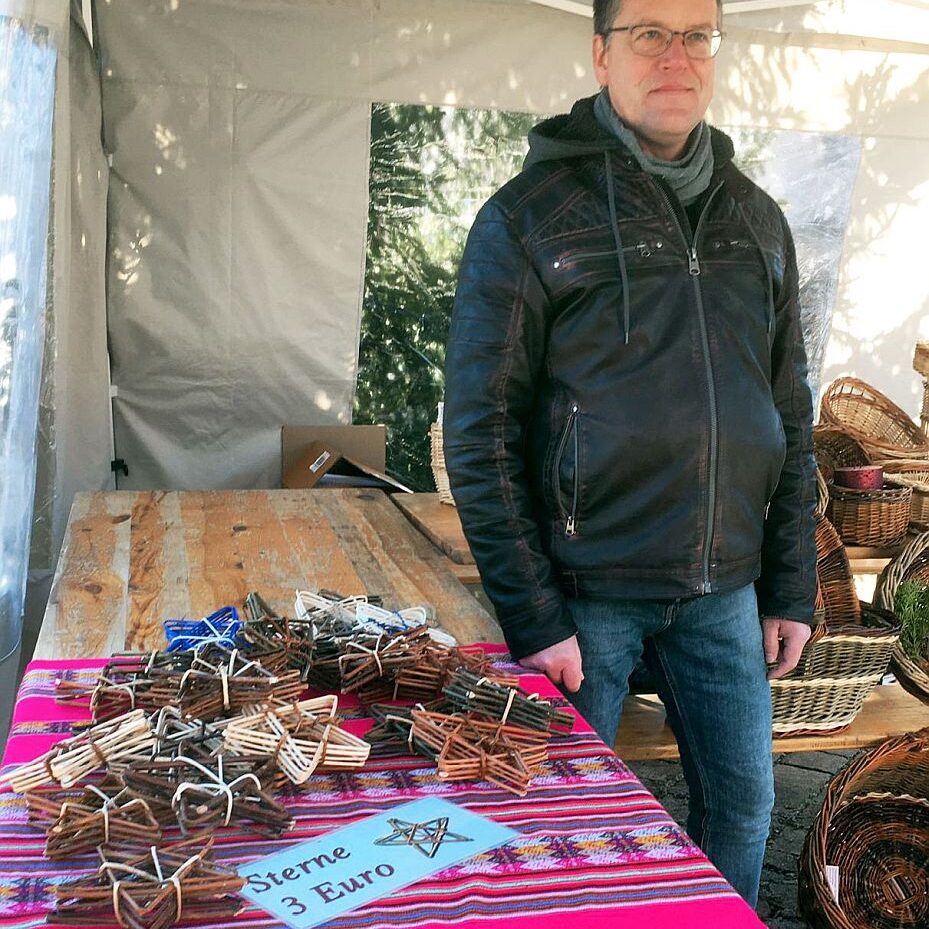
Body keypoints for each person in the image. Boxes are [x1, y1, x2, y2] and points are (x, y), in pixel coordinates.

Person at [442, 0, 817, 909]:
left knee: (742, 810)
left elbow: (788, 414)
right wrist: (532, 614)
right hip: (584, 599)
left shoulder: (757, 220)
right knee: (555, 827)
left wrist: (789, 585)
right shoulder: (527, 216)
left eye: (696, 35)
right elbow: (479, 429)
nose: (674, 56)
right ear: (601, 55)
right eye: (648, 33)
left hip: (723, 595)